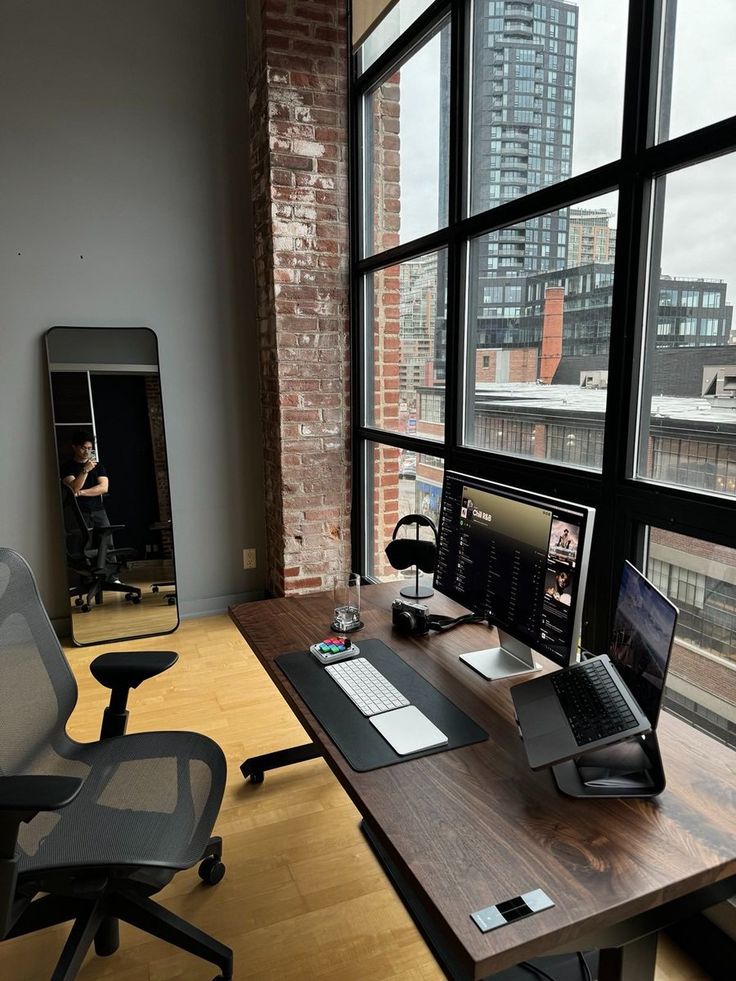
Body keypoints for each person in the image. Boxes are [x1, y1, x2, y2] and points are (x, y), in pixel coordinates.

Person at [60, 430, 111, 529]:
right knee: (83, 541)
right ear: (74, 447)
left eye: (90, 448)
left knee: (105, 541)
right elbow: (74, 488)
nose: (87, 452)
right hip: (79, 511)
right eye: (83, 448)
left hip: (98, 510)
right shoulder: (67, 467)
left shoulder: (98, 465)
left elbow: (104, 488)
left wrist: (81, 493)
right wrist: (85, 470)